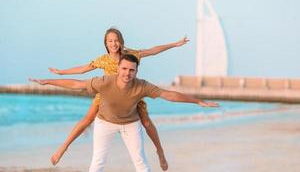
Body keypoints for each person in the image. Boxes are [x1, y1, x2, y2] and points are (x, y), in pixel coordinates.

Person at [29, 54, 219, 172]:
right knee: (97, 163)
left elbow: (168, 95)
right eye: (124, 69)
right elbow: (77, 85)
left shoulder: (142, 85)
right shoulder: (104, 81)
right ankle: (64, 147)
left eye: (131, 70)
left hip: (130, 124)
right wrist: (49, 81)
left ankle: (160, 152)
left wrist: (198, 101)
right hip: (105, 123)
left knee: (141, 163)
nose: (127, 73)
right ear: (118, 68)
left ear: (136, 71)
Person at [47, 28, 189, 171]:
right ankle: (63, 148)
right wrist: (61, 72)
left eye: (116, 40)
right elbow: (83, 69)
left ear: (121, 42)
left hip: (131, 95)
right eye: (110, 41)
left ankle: (160, 152)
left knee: (147, 123)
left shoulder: (131, 55)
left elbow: (152, 51)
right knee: (87, 119)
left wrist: (174, 44)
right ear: (106, 43)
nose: (113, 44)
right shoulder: (103, 60)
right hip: (107, 96)